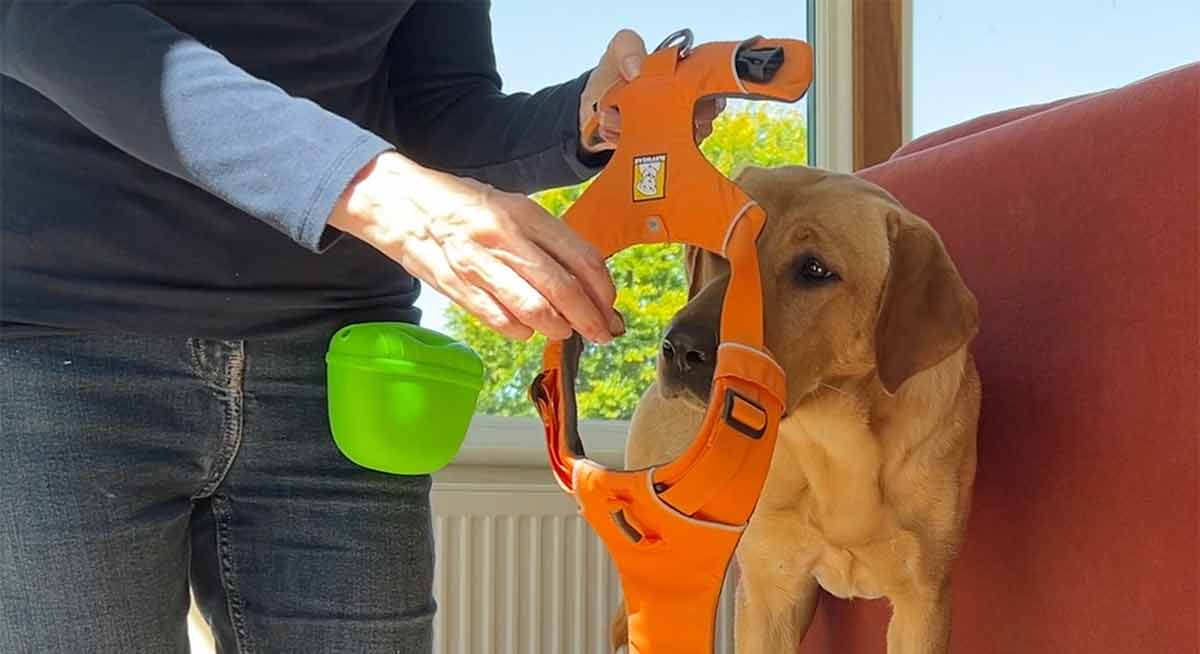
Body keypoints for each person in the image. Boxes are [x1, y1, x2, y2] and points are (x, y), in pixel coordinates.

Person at [0, 2, 722, 652]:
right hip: (60, 355)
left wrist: (585, 118)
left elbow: (437, 112)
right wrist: (374, 190)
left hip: (344, 377)